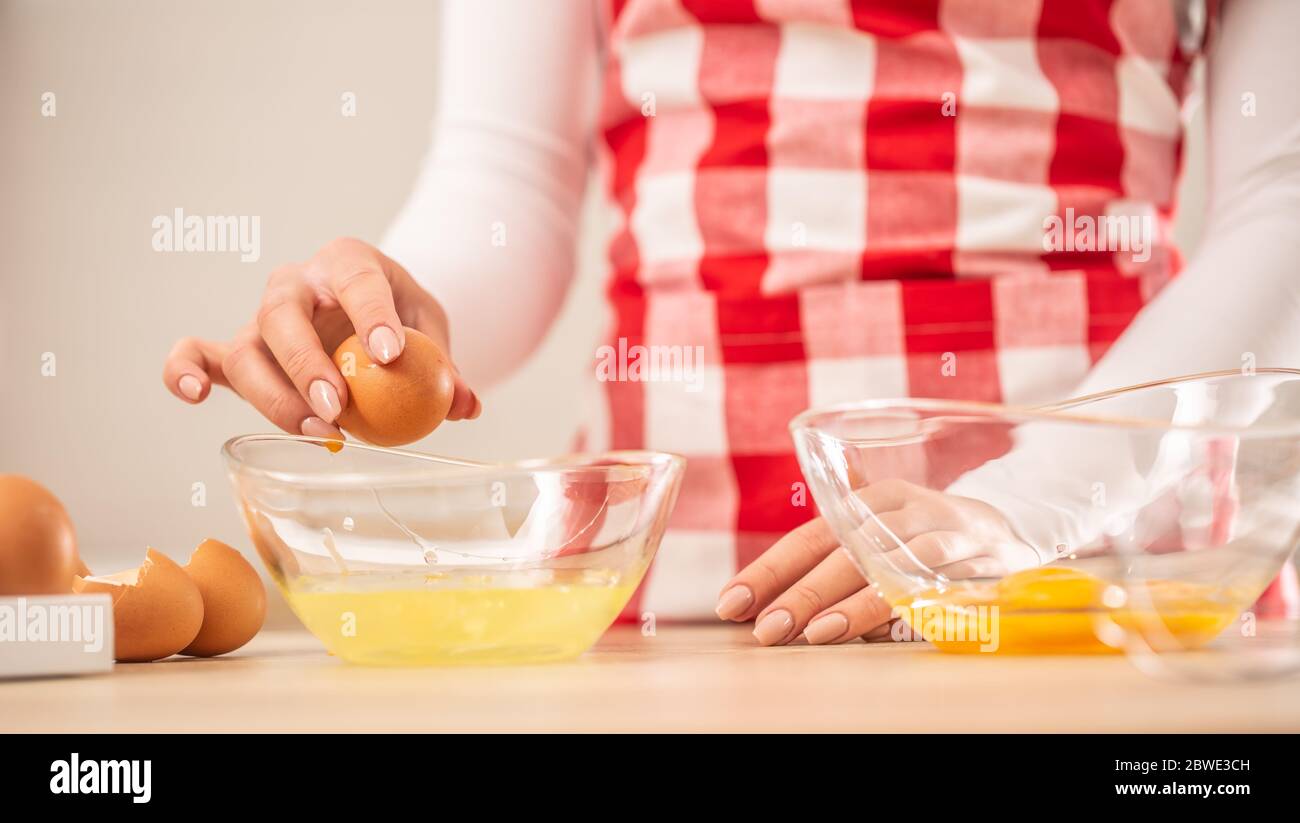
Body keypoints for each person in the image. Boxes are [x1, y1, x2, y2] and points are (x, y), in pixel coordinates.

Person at [164, 0, 1300, 646]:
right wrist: (399, 311)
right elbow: (509, 178)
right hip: (690, 592)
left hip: (1097, 580)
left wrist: (1025, 506)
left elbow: (1283, 197)